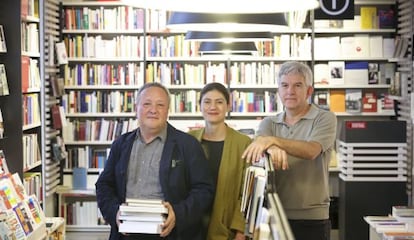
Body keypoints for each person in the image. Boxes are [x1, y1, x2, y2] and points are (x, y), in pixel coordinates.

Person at [95, 82, 215, 240]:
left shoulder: (188, 145)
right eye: (147, 104)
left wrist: (178, 214)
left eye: (160, 105)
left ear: (168, 111)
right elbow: (104, 185)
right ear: (136, 108)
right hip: (127, 232)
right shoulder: (121, 144)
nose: (153, 110)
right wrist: (115, 212)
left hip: (170, 233)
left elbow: (204, 190)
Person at [242, 61, 337, 240]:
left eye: (297, 85)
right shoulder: (268, 123)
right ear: (278, 91)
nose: (290, 91)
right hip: (273, 214)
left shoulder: (325, 118)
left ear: (309, 91)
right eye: (285, 85)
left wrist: (273, 141)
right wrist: (270, 146)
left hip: (312, 218)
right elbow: (258, 148)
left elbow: (311, 151)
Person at [188, 82, 251, 240]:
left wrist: (240, 231)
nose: (213, 107)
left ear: (229, 106)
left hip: (226, 228)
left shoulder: (243, 143)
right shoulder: (189, 140)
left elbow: (246, 192)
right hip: (191, 227)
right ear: (200, 106)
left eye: (219, 102)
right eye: (207, 102)